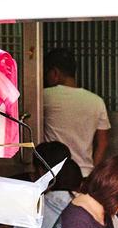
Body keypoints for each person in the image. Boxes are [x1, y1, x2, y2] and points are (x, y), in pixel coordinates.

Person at [42, 48, 110, 177]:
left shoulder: (45, 97)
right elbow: (103, 143)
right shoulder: (97, 101)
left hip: (54, 172)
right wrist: (92, 172)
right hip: (84, 173)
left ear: (55, 73)